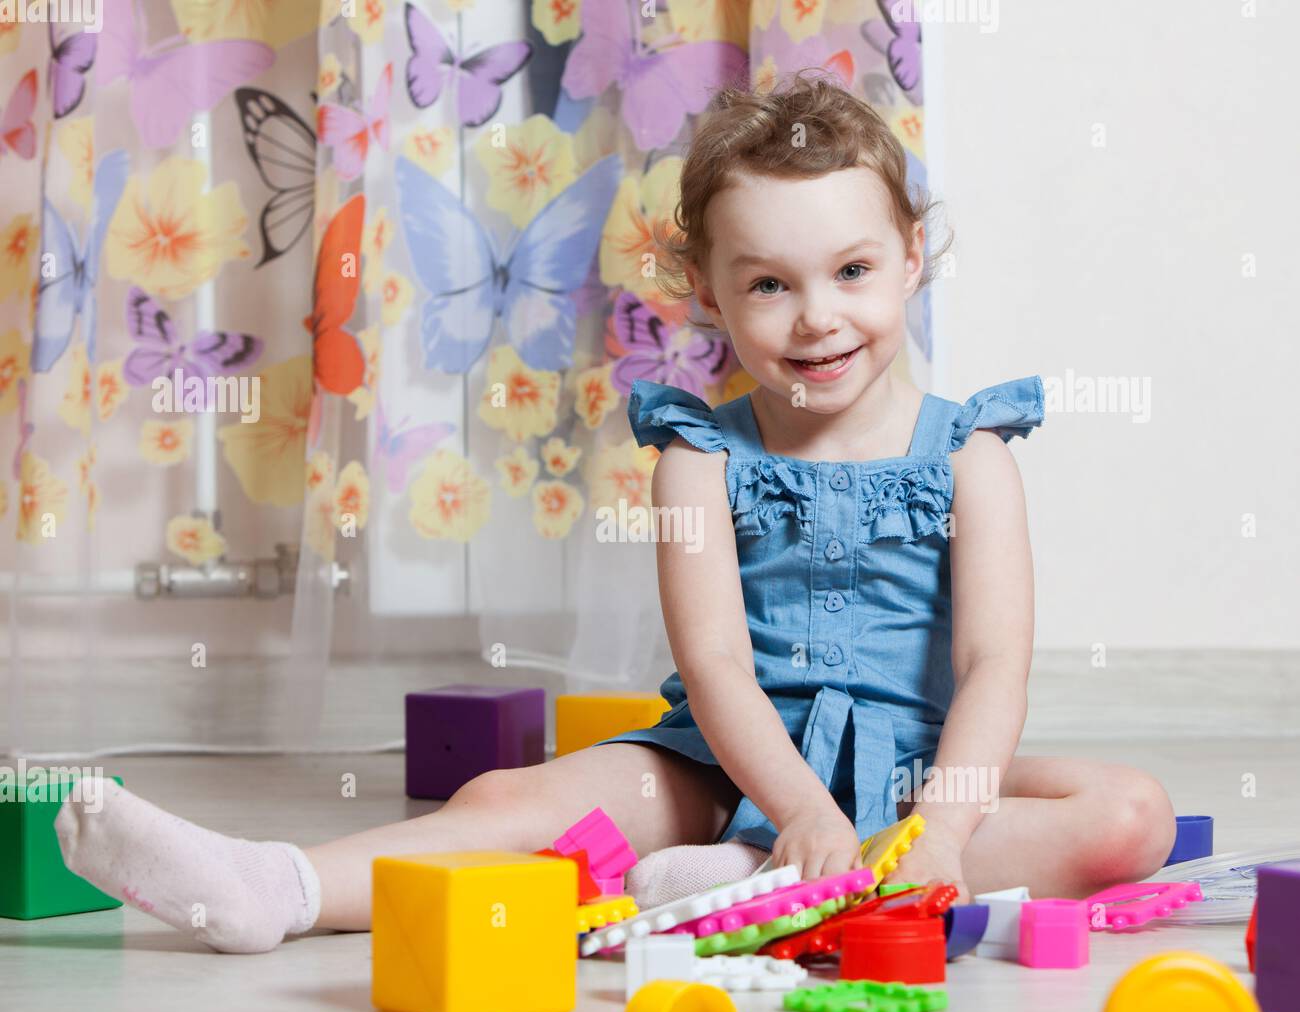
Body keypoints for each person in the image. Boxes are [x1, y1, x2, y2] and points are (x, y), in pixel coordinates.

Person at [53, 72, 1175, 954]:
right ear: (709, 291)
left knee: (1129, 816)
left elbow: (991, 671)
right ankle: (280, 885)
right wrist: (793, 802)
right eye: (770, 284)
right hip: (727, 762)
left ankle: (766, 885)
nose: (817, 317)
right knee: (511, 796)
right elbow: (723, 670)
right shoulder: (698, 456)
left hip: (919, 769)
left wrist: (940, 824)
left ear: (911, 259)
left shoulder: (972, 453)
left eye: (850, 270)